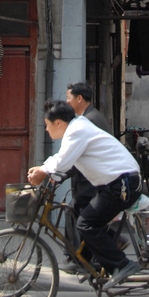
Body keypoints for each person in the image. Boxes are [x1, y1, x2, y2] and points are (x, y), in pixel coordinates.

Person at [28, 100, 141, 289]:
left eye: (47, 125)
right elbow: (64, 159)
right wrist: (46, 169)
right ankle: (92, 257)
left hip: (123, 184)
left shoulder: (76, 130)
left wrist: (43, 170)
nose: (46, 130)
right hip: (115, 183)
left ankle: (121, 264)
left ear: (58, 123)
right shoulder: (76, 128)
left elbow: (62, 161)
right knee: (78, 208)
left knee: (85, 223)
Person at [62, 83, 111, 270]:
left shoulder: (89, 120)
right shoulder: (90, 117)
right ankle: (80, 255)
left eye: (69, 98)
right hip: (91, 178)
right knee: (78, 213)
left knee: (75, 212)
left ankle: (79, 258)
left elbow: (77, 155)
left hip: (93, 180)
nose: (67, 101)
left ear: (79, 99)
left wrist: (60, 172)